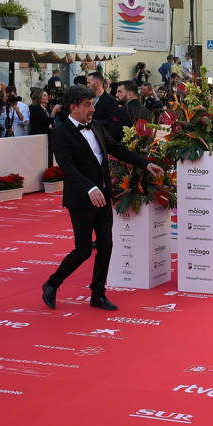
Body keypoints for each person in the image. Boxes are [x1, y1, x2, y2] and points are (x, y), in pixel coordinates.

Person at [42, 86, 165, 311]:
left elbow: (118, 149)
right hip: (81, 198)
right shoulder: (60, 132)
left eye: (92, 103)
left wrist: (145, 164)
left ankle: (97, 294)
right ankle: (52, 283)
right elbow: (67, 168)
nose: (92, 109)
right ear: (74, 107)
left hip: (103, 194)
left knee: (107, 245)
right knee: (83, 249)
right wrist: (89, 188)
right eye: (88, 105)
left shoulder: (96, 126)